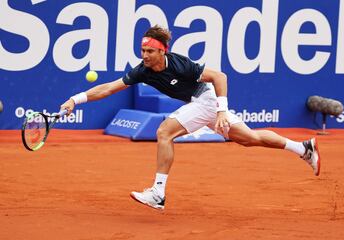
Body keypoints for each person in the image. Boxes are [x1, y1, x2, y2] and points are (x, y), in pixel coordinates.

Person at [60, 25, 320, 210]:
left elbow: (220, 77)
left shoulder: (179, 64)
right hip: (200, 105)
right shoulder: (143, 71)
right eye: (142, 51)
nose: (144, 55)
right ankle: (303, 148)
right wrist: (76, 99)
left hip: (206, 101)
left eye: (150, 51)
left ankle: (158, 193)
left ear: (162, 51)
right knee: (249, 138)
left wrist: (220, 110)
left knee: (164, 132)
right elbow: (107, 88)